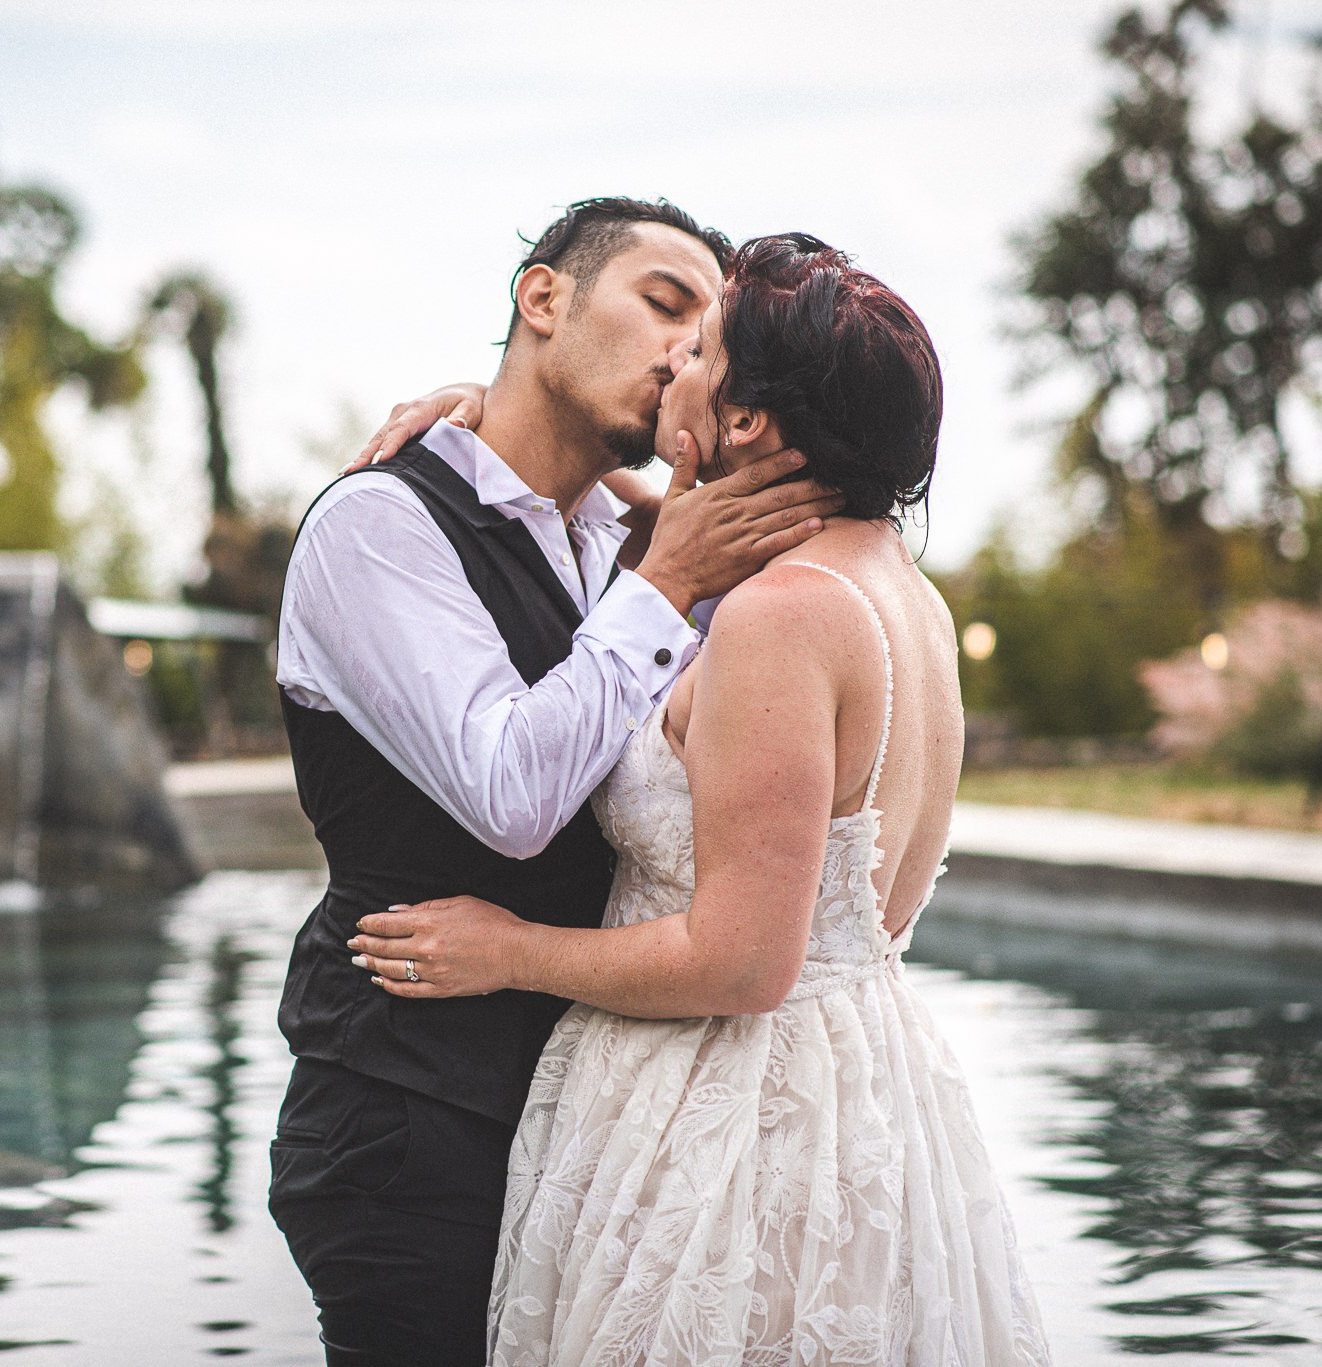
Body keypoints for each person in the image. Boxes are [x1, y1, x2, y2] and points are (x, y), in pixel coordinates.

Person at [348, 233, 1053, 1364]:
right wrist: (494, 417)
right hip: (862, 1092)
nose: (675, 360)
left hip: (727, 1117)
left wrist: (508, 948)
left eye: (703, 347)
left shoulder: (780, 616)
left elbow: (741, 962)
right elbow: (638, 511)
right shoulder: (897, 591)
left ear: (750, 422)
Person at [269, 199, 845, 1367]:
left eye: (705, 336)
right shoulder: (377, 526)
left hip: (583, 1122)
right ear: (542, 300)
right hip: (405, 1122)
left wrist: (667, 557)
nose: (683, 353)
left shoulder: (605, 541)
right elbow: (513, 794)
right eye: (662, 303)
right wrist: (665, 579)